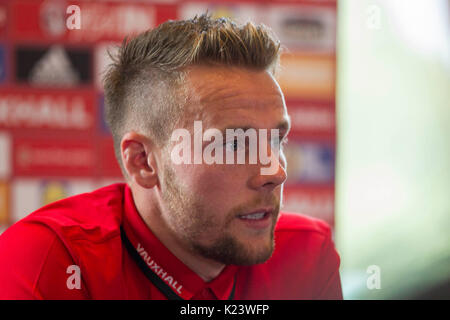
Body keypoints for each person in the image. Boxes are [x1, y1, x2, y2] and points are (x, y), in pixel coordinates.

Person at [0, 14, 343, 300]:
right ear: (144, 162)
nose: (277, 171)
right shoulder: (49, 260)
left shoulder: (307, 253)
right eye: (235, 145)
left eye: (276, 139)